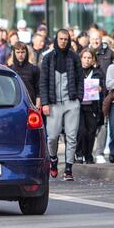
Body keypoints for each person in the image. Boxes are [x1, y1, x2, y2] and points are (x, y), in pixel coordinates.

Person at [39, 29, 84, 180]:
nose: (63, 41)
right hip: (53, 103)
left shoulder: (74, 57)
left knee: (71, 136)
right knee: (52, 137)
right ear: (56, 40)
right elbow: (43, 81)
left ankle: (69, 169)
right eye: (61, 39)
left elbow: (80, 79)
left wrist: (79, 98)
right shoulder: (48, 58)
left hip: (71, 102)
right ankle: (53, 159)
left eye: (66, 39)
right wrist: (45, 103)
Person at [88, 29, 114, 163]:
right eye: (93, 39)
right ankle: (86, 152)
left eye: (97, 38)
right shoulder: (85, 53)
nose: (95, 41)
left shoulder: (109, 53)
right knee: (88, 125)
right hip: (88, 97)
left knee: (103, 124)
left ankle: (99, 152)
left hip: (104, 94)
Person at [76, 49, 104, 164]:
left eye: (89, 58)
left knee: (91, 131)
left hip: (92, 106)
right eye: (84, 57)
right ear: (81, 58)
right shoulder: (77, 72)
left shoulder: (98, 72)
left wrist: (100, 89)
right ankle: (79, 154)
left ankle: (88, 155)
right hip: (79, 106)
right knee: (81, 131)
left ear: (93, 59)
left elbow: (103, 88)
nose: (87, 60)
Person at [9, 42, 40, 108]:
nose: (20, 55)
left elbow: (38, 89)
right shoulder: (10, 69)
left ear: (26, 53)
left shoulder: (34, 69)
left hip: (31, 104)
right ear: (14, 53)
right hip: (13, 104)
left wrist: (37, 105)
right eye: (18, 52)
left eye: (22, 52)